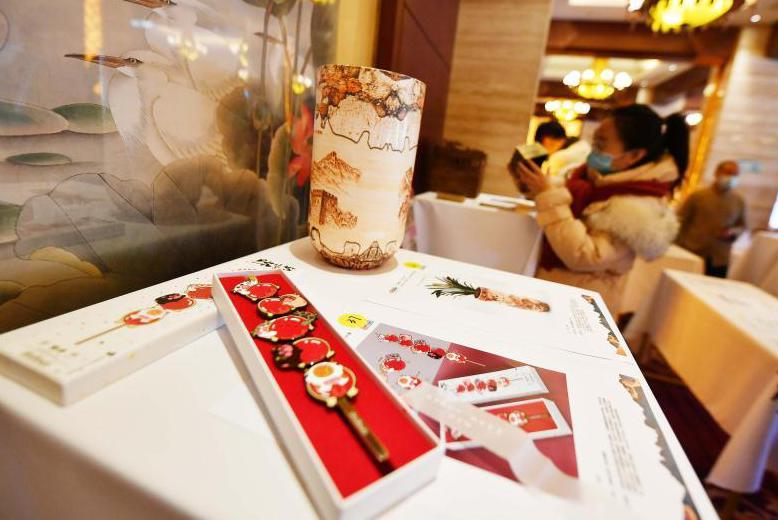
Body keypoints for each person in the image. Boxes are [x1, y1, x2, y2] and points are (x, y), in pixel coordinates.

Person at [517, 104, 688, 313]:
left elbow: (584, 255)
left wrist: (548, 195)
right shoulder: (595, 181)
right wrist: (533, 184)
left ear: (634, 155)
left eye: (601, 143)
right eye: (594, 142)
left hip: (579, 308)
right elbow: (562, 195)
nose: (593, 151)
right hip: (557, 293)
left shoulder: (638, 208)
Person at [676, 161, 746, 277]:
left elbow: (742, 225)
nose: (731, 177)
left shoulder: (738, 201)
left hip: (719, 257)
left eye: (735, 174)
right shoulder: (698, 196)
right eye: (728, 173)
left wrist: (732, 232)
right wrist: (678, 246)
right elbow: (681, 220)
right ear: (717, 173)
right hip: (693, 251)